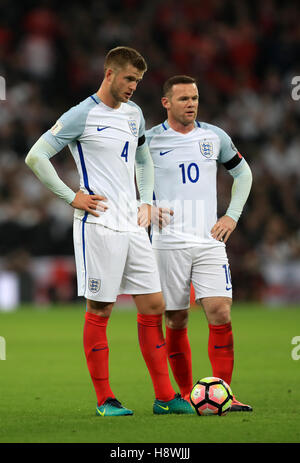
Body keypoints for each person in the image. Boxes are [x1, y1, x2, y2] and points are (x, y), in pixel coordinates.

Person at [25, 48, 194, 416]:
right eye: (129, 79)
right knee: (101, 308)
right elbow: (36, 156)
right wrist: (71, 197)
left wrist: (146, 202)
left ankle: (165, 398)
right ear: (109, 74)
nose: (134, 87)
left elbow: (143, 159)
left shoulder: (133, 115)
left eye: (138, 80)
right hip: (98, 224)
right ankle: (105, 400)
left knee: (154, 305)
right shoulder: (81, 114)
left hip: (133, 222)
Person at [146, 75, 253, 412]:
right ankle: (185, 394)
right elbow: (126, 180)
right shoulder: (147, 141)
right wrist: (143, 207)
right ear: (166, 103)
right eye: (183, 99)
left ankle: (225, 392)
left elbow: (244, 174)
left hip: (209, 240)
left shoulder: (214, 136)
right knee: (176, 319)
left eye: (194, 98)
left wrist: (231, 216)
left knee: (220, 312)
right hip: (168, 243)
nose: (191, 104)